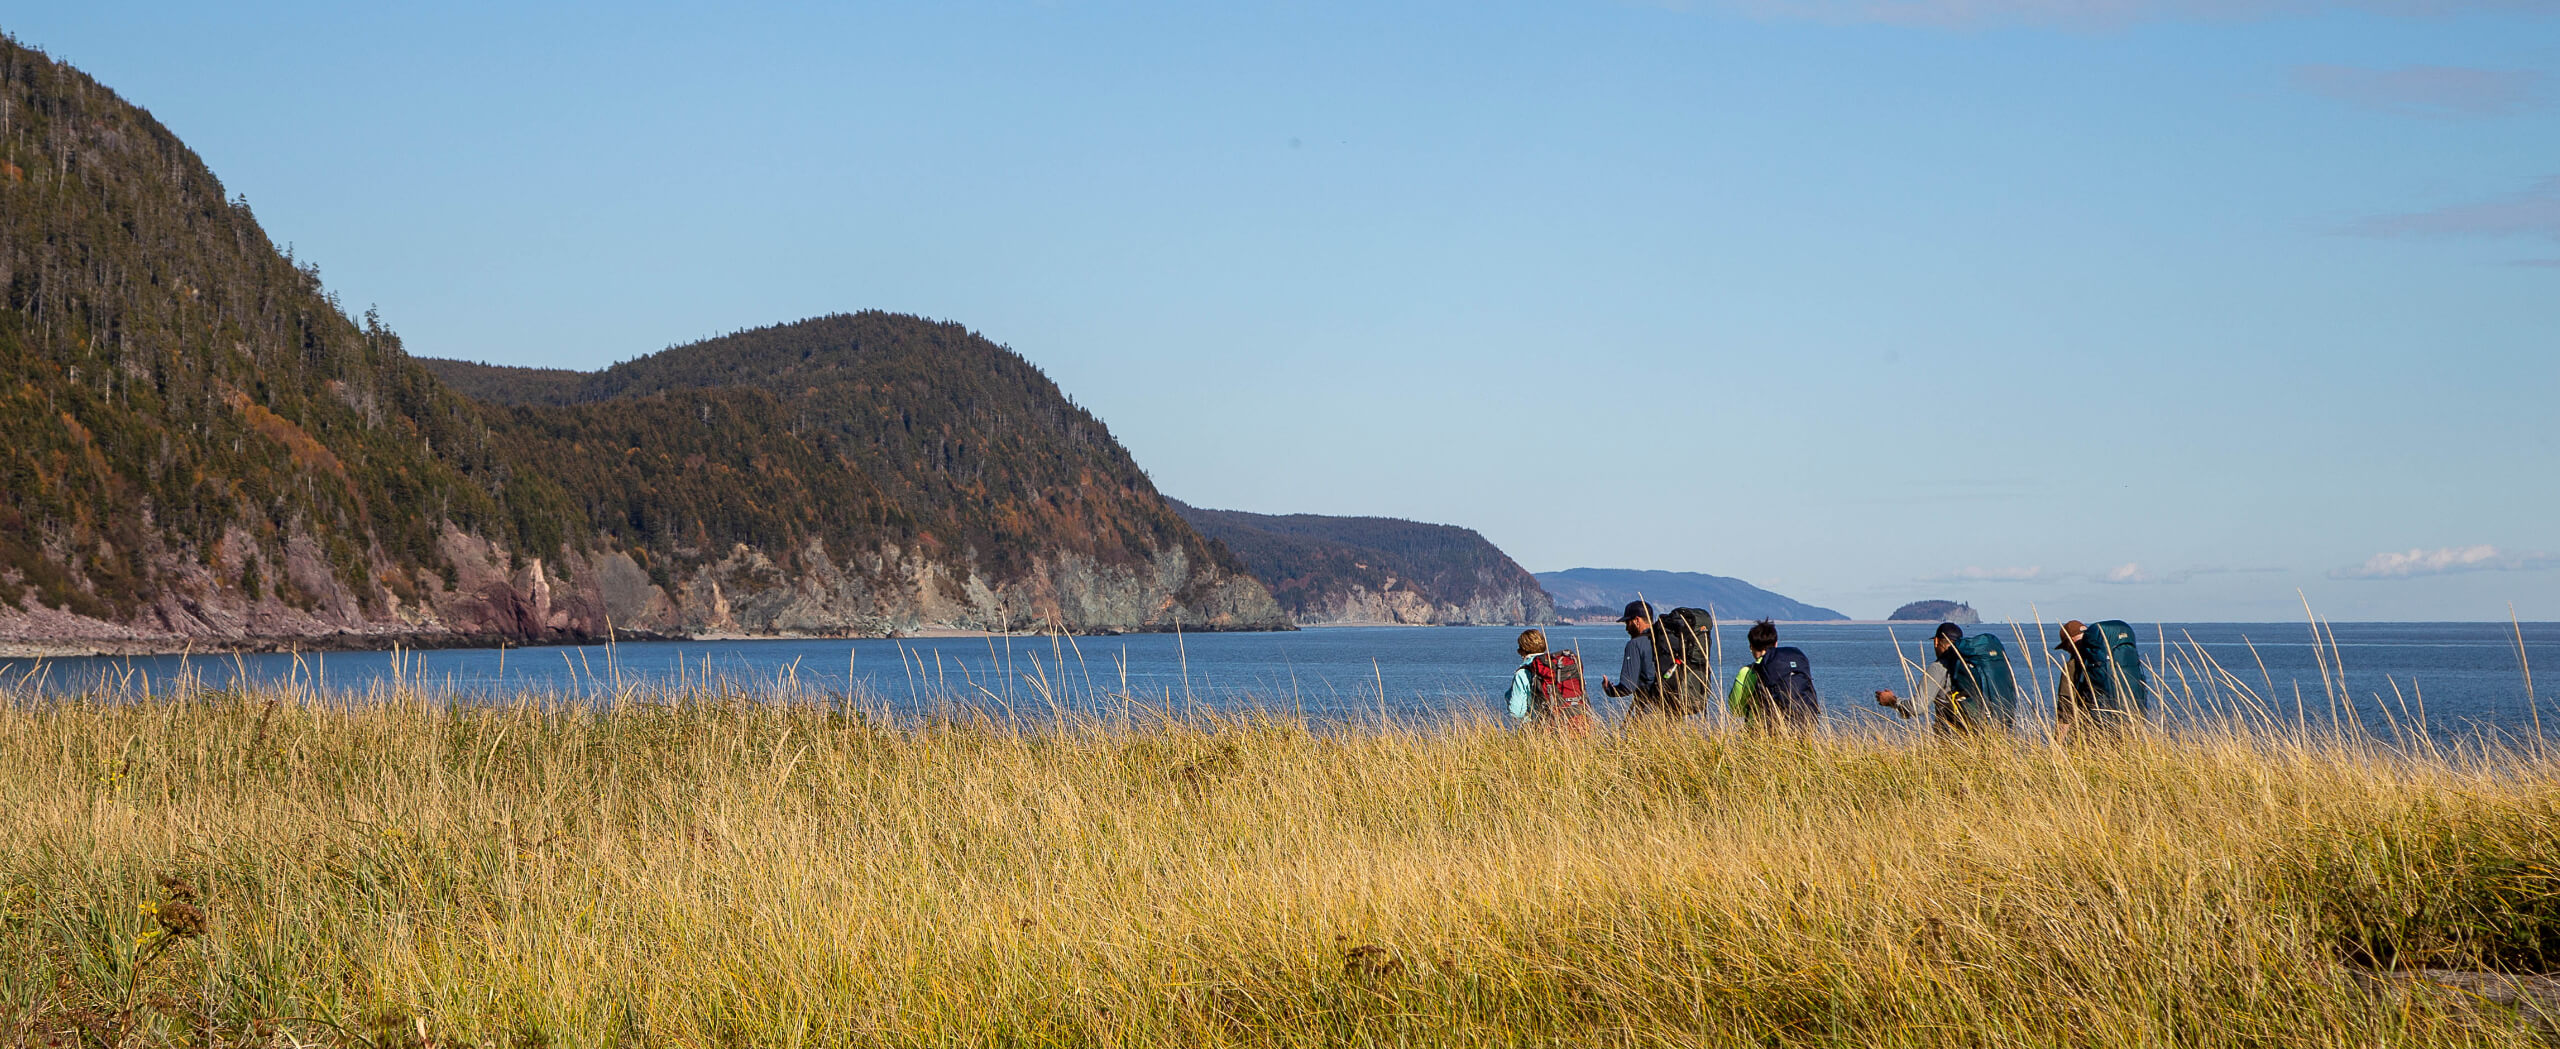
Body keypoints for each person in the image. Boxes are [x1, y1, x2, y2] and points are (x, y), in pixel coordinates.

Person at [1872, 621, 2016, 735]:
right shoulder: (1971, 664)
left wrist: (1892, 701)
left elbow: (1917, 707)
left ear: (1936, 641)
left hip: (1954, 742)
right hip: (1993, 733)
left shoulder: (1939, 667)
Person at [1731, 618, 1821, 731]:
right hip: (1803, 728)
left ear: (1751, 646)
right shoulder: (1790, 664)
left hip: (1763, 733)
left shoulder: (1748, 671)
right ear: (1775, 643)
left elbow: (1735, 708)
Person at [1502, 629, 1592, 733]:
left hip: (1542, 729)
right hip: (1575, 723)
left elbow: (1516, 712)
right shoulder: (1557, 667)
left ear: (1522, 651)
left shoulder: (1523, 673)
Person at [1600, 601, 1664, 714]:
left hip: (1649, 709)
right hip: (1671, 709)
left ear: (1637, 620)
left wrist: (1609, 690)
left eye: (1627, 623)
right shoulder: (1664, 641)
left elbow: (1627, 687)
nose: (1627, 629)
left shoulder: (1635, 644)